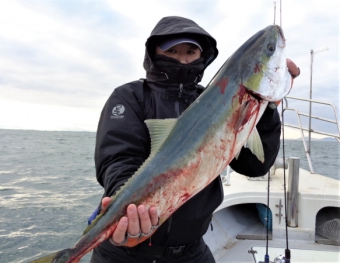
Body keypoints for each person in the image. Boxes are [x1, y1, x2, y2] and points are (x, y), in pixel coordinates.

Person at [91, 16, 300, 263]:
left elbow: (255, 166)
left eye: (191, 51)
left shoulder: (220, 98)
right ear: (154, 53)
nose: (183, 58)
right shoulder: (130, 97)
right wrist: (128, 209)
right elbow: (118, 158)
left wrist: (267, 110)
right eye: (172, 50)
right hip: (124, 253)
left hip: (192, 252)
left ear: (203, 55)